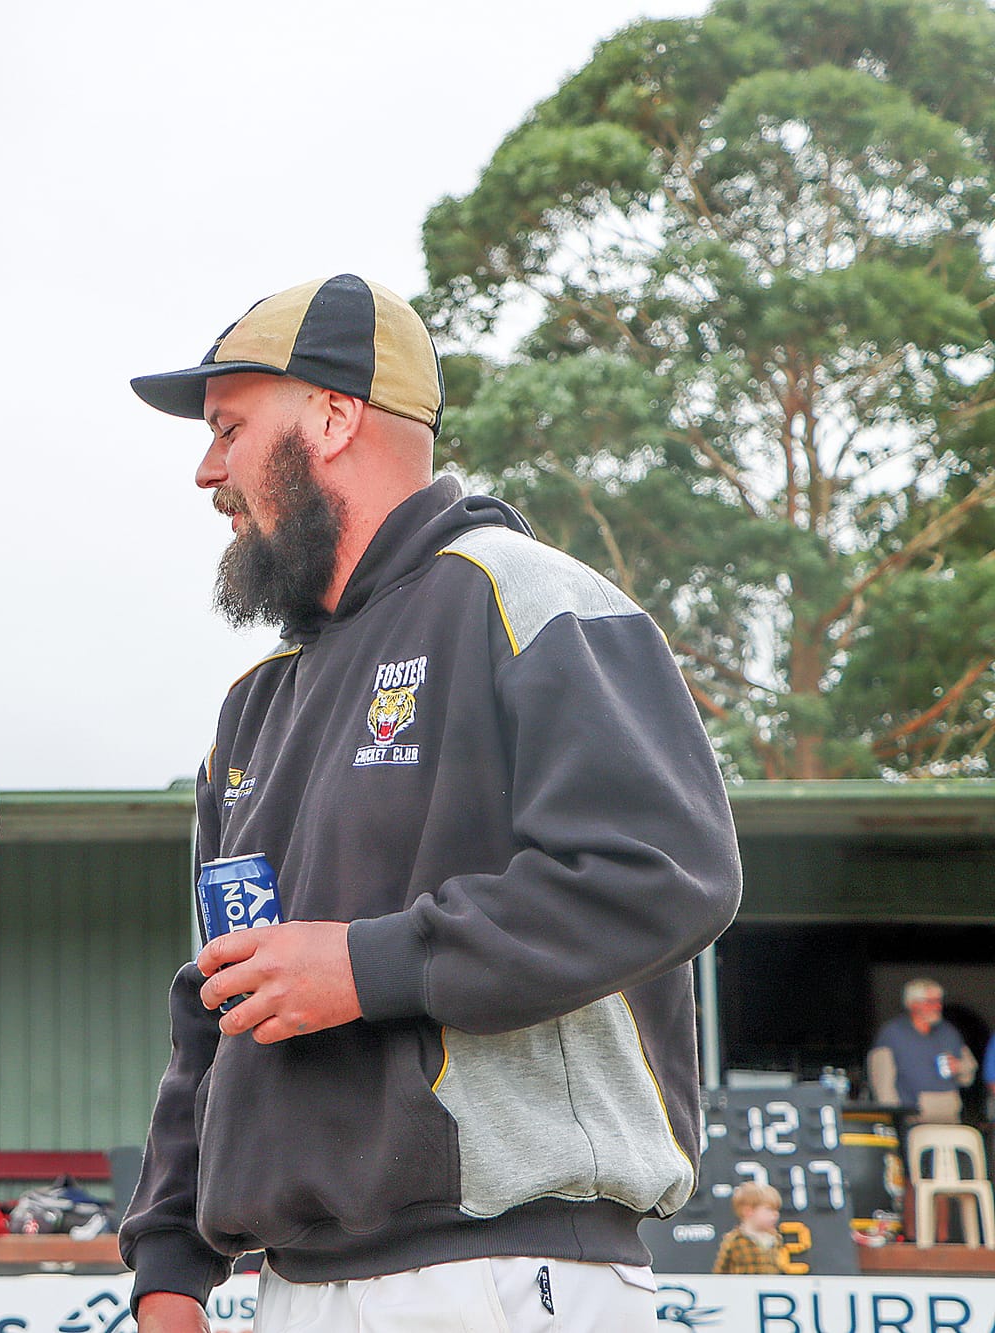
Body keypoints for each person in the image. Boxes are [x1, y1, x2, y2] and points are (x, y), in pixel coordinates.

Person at [116, 275, 743, 1331]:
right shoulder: (252, 705)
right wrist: (169, 1264)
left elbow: (663, 876)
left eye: (228, 428)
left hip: (505, 1271)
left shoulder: (526, 595)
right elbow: (217, 999)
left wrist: (363, 966)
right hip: (293, 1283)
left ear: (331, 415)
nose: (204, 470)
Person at [868, 978, 976, 1123]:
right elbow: (882, 1084)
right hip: (913, 1114)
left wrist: (959, 1067)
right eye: (930, 1002)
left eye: (938, 1001)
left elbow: (969, 1072)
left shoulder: (949, 1032)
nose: (937, 1006)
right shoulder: (892, 1034)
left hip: (949, 1110)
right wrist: (894, 1117)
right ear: (912, 1004)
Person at [711, 1182, 799, 1275]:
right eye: (769, 1209)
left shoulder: (776, 1240)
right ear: (748, 1211)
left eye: (776, 1210)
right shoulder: (735, 1240)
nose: (775, 1215)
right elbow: (720, 1271)